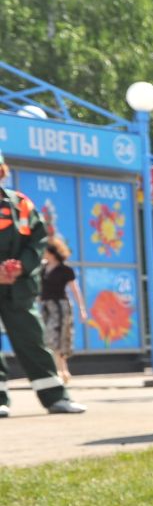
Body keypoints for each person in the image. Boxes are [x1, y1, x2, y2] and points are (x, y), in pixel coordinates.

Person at [0, 149, 85, 416]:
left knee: (33, 341)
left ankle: (56, 397)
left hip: (18, 287)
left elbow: (38, 240)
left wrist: (21, 266)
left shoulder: (20, 204)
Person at [37, 235, 83, 387]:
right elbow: (39, 288)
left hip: (60, 306)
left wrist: (82, 308)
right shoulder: (43, 269)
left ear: (52, 252)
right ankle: (61, 369)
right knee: (47, 337)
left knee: (59, 336)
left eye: (46, 251)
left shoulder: (65, 269)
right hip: (45, 306)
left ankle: (60, 369)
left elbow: (74, 289)